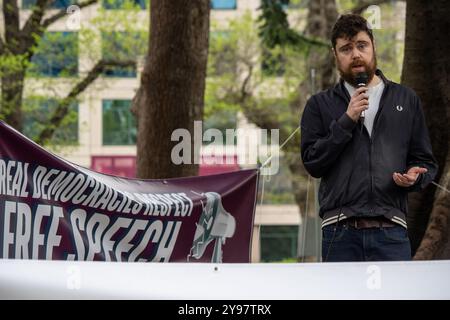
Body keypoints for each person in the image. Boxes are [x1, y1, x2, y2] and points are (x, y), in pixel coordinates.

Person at [300, 14, 438, 262]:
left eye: (362, 45)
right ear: (335, 55)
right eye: (346, 48)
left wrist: (415, 178)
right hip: (338, 232)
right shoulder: (319, 105)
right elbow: (312, 163)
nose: (355, 54)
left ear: (374, 47)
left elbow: (426, 162)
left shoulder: (405, 100)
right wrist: (346, 120)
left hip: (391, 230)